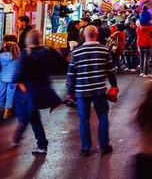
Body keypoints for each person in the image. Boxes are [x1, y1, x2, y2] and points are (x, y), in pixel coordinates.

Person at [66, 25, 118, 156]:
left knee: (84, 119)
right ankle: (104, 145)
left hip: (81, 91)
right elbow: (111, 70)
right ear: (97, 34)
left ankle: (85, 147)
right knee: (103, 115)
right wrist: (114, 85)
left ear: (84, 35)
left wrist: (69, 92)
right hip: (99, 89)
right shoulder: (104, 50)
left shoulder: (76, 52)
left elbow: (71, 74)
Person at [13, 29, 62, 154]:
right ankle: (20, 139)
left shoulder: (26, 53)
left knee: (29, 115)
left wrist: (20, 84)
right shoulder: (47, 51)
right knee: (32, 116)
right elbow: (61, 64)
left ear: (28, 40)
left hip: (30, 91)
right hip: (45, 89)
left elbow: (18, 74)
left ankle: (40, 144)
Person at [0, 41, 20, 119]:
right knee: (10, 94)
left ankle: (0, 106)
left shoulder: (0, 56)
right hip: (13, 79)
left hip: (2, 78)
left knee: (1, 93)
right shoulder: (18, 56)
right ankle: (7, 111)